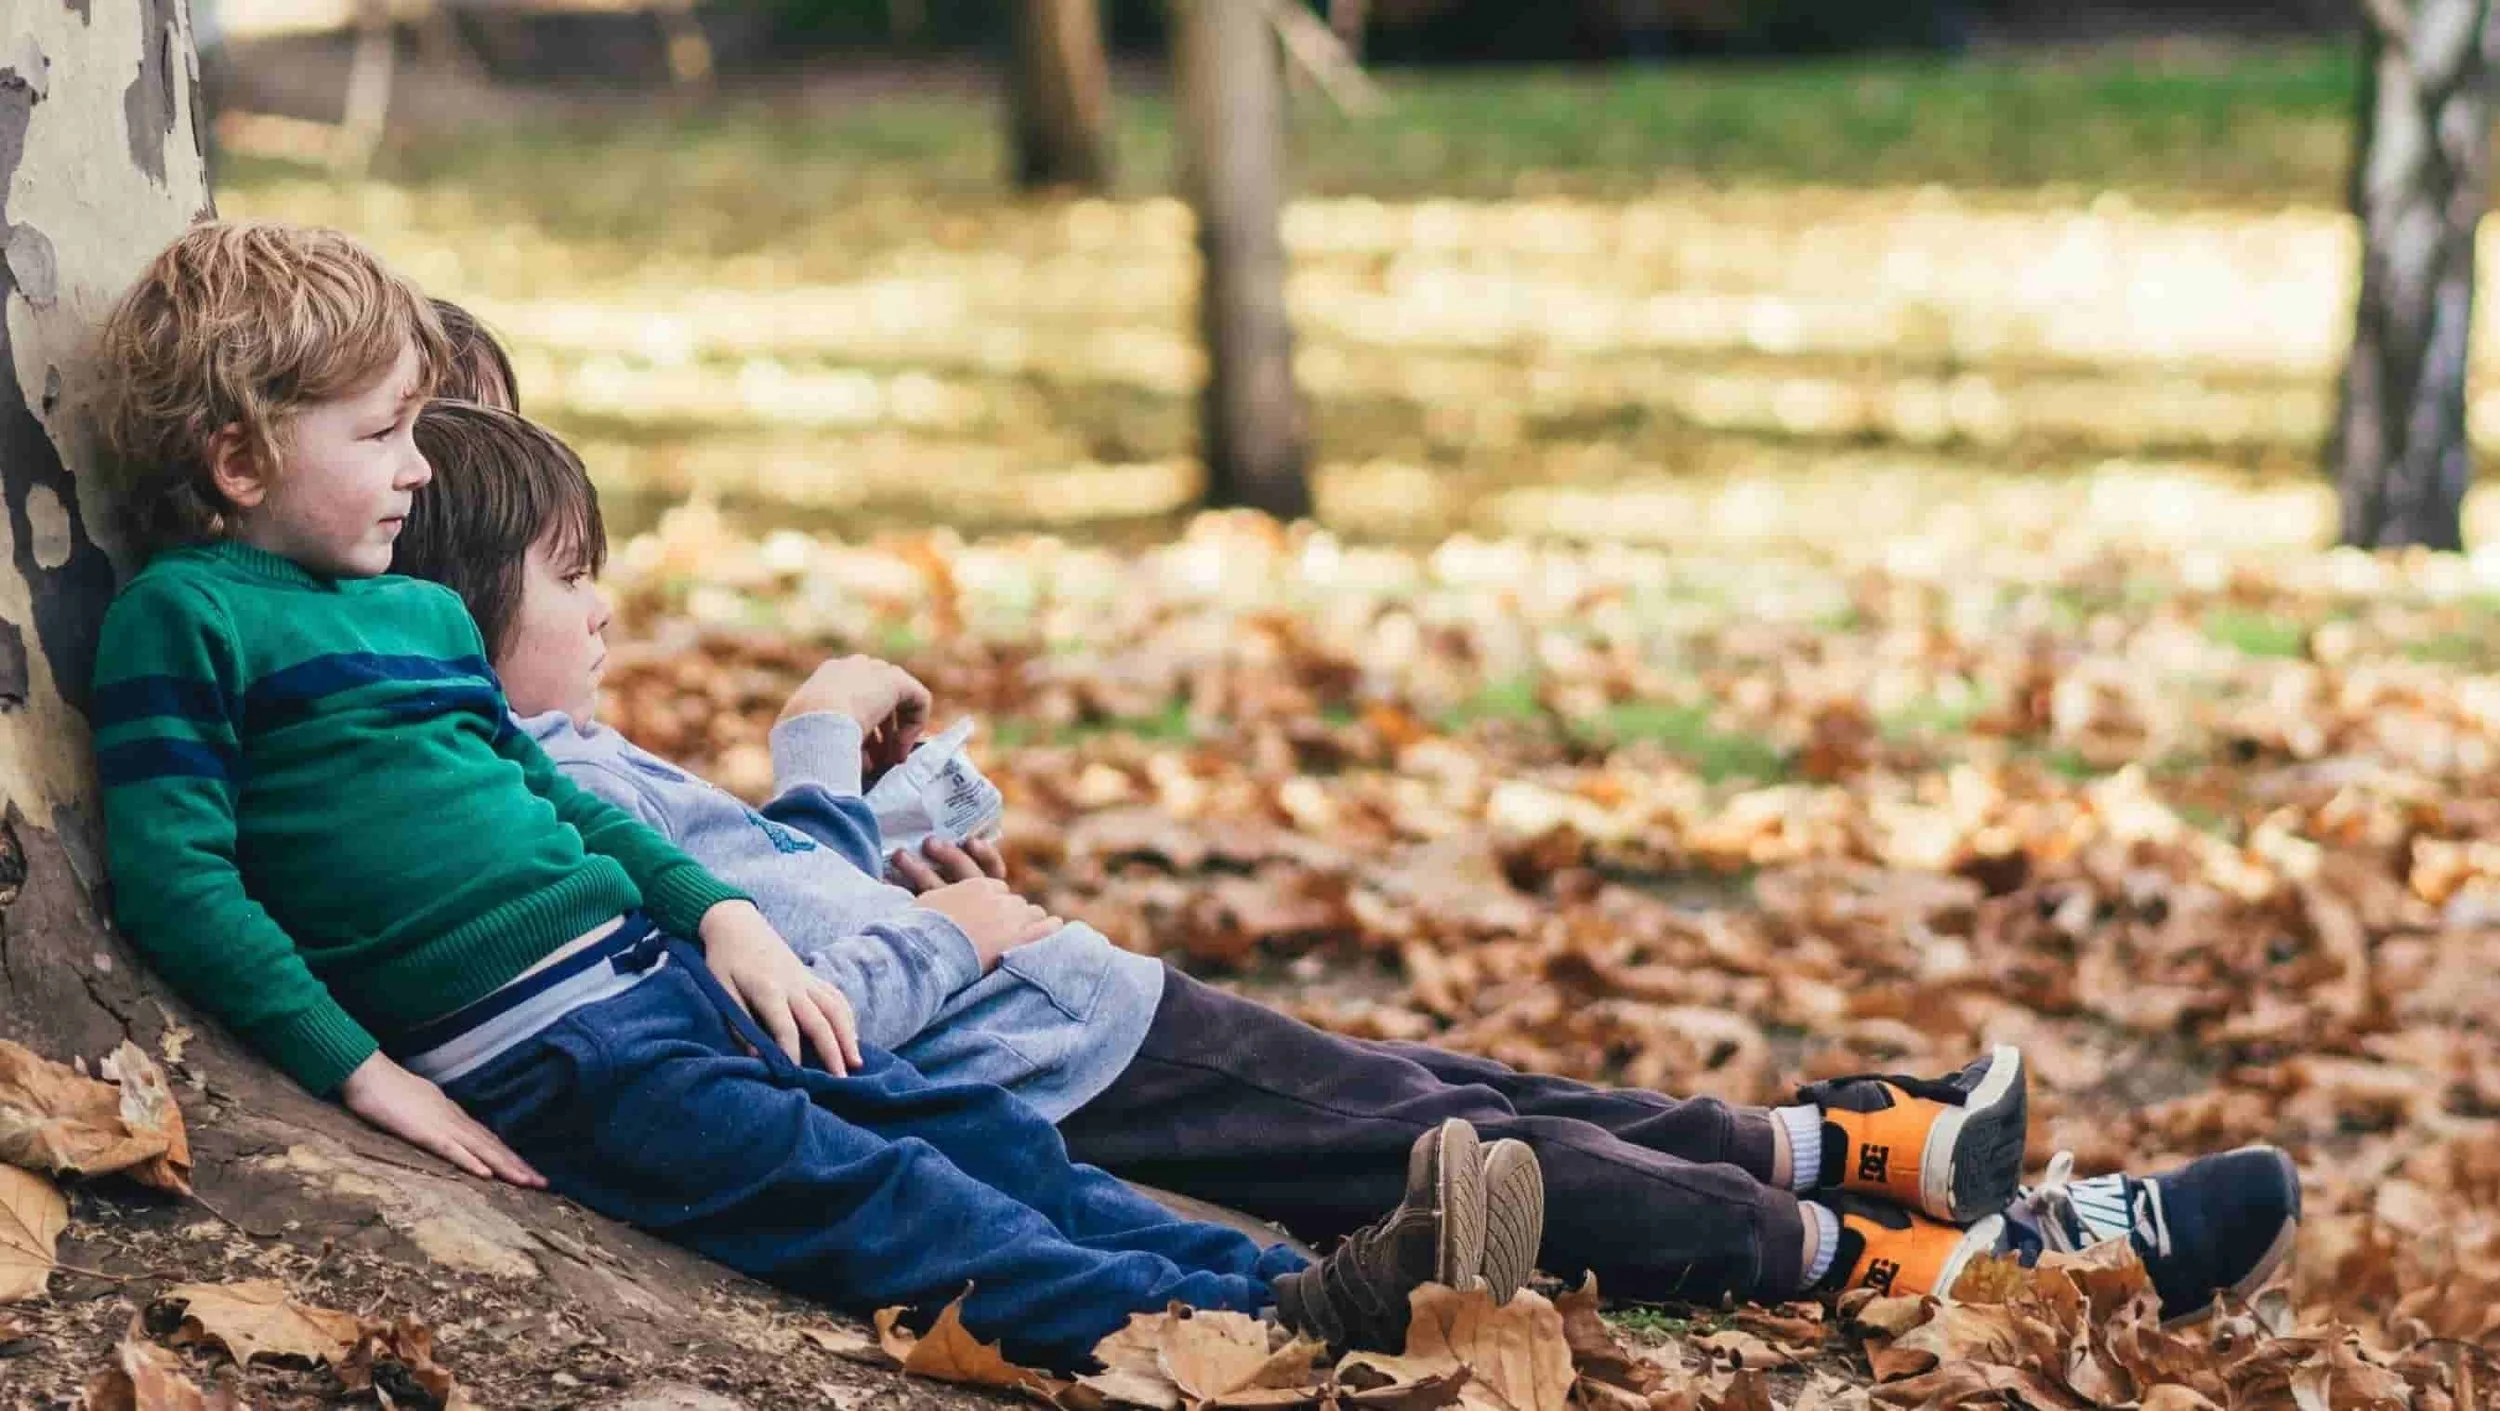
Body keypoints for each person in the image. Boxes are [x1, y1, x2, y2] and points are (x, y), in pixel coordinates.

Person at [395, 370, 2305, 1325]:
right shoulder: (538, 783)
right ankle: (1945, 1266)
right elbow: (799, 981)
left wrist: (902, 841)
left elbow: (795, 907)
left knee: (1464, 1085)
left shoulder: (557, 746)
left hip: (1072, 1006)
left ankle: (1865, 1143)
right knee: (1471, 1154)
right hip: (1055, 1051)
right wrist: (896, 853)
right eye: (576, 583)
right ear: (463, 608)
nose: (610, 616)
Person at [86, 218, 1548, 1370]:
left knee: (974, 1138)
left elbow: (562, 804)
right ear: (238, 454)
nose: (418, 469)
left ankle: (1306, 1287)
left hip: (663, 977)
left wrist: (722, 915)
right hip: (553, 1055)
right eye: (382, 434)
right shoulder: (190, 620)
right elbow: (181, 880)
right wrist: (363, 1072)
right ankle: (1246, 1335)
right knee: (881, 1203)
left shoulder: (412, 617)